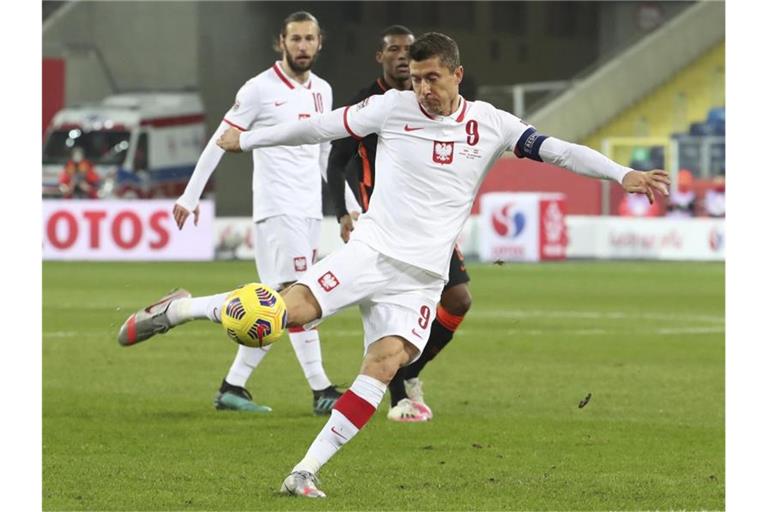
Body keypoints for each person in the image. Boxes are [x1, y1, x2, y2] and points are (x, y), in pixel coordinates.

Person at [124, 32, 670, 498]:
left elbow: (560, 150)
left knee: (383, 367)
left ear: (457, 74)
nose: (424, 90)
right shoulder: (392, 109)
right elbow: (322, 127)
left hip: (422, 279)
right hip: (370, 252)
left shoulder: (491, 124)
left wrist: (622, 174)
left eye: (433, 78)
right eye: (415, 79)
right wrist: (250, 139)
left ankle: (303, 471)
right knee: (279, 315)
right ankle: (179, 310)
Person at [119, 11, 361, 416]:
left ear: (320, 43)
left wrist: (348, 207)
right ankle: (321, 390)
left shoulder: (323, 90)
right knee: (297, 295)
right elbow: (221, 140)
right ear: (280, 43)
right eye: (295, 38)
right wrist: (190, 196)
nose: (302, 46)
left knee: (273, 306)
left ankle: (230, 384)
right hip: (276, 208)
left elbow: (323, 154)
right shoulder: (259, 89)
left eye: (309, 39)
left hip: (306, 211)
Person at [326, 25, 472, 423]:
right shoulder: (372, 104)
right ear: (381, 56)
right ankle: (395, 394)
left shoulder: (428, 103)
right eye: (394, 50)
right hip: (383, 228)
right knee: (386, 307)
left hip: (427, 229)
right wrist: (342, 211)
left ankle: (409, 372)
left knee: (458, 300)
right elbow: (336, 161)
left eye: (409, 50)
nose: (403, 57)